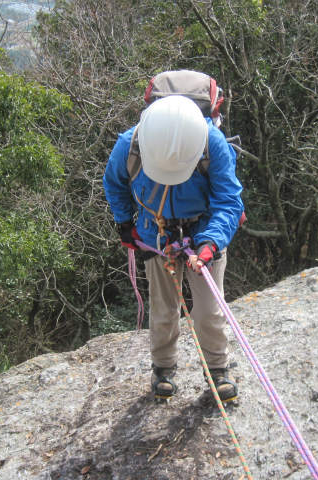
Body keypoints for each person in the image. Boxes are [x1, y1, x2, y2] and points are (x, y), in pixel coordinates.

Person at [103, 94, 244, 401]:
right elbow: (113, 183)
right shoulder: (131, 144)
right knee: (164, 308)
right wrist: (125, 223)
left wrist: (210, 243)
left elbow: (229, 200)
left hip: (203, 229)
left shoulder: (211, 143)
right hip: (157, 232)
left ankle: (218, 370)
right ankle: (163, 370)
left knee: (208, 309)